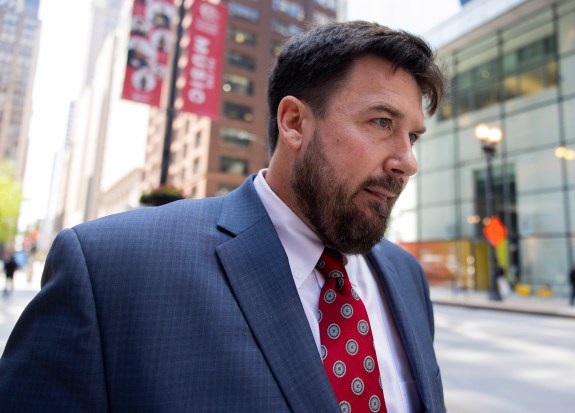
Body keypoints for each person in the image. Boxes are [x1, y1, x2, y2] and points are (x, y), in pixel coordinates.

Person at [0, 21, 447, 412]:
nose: (407, 161)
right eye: (382, 122)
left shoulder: (405, 275)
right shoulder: (110, 271)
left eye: (413, 136)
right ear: (293, 122)